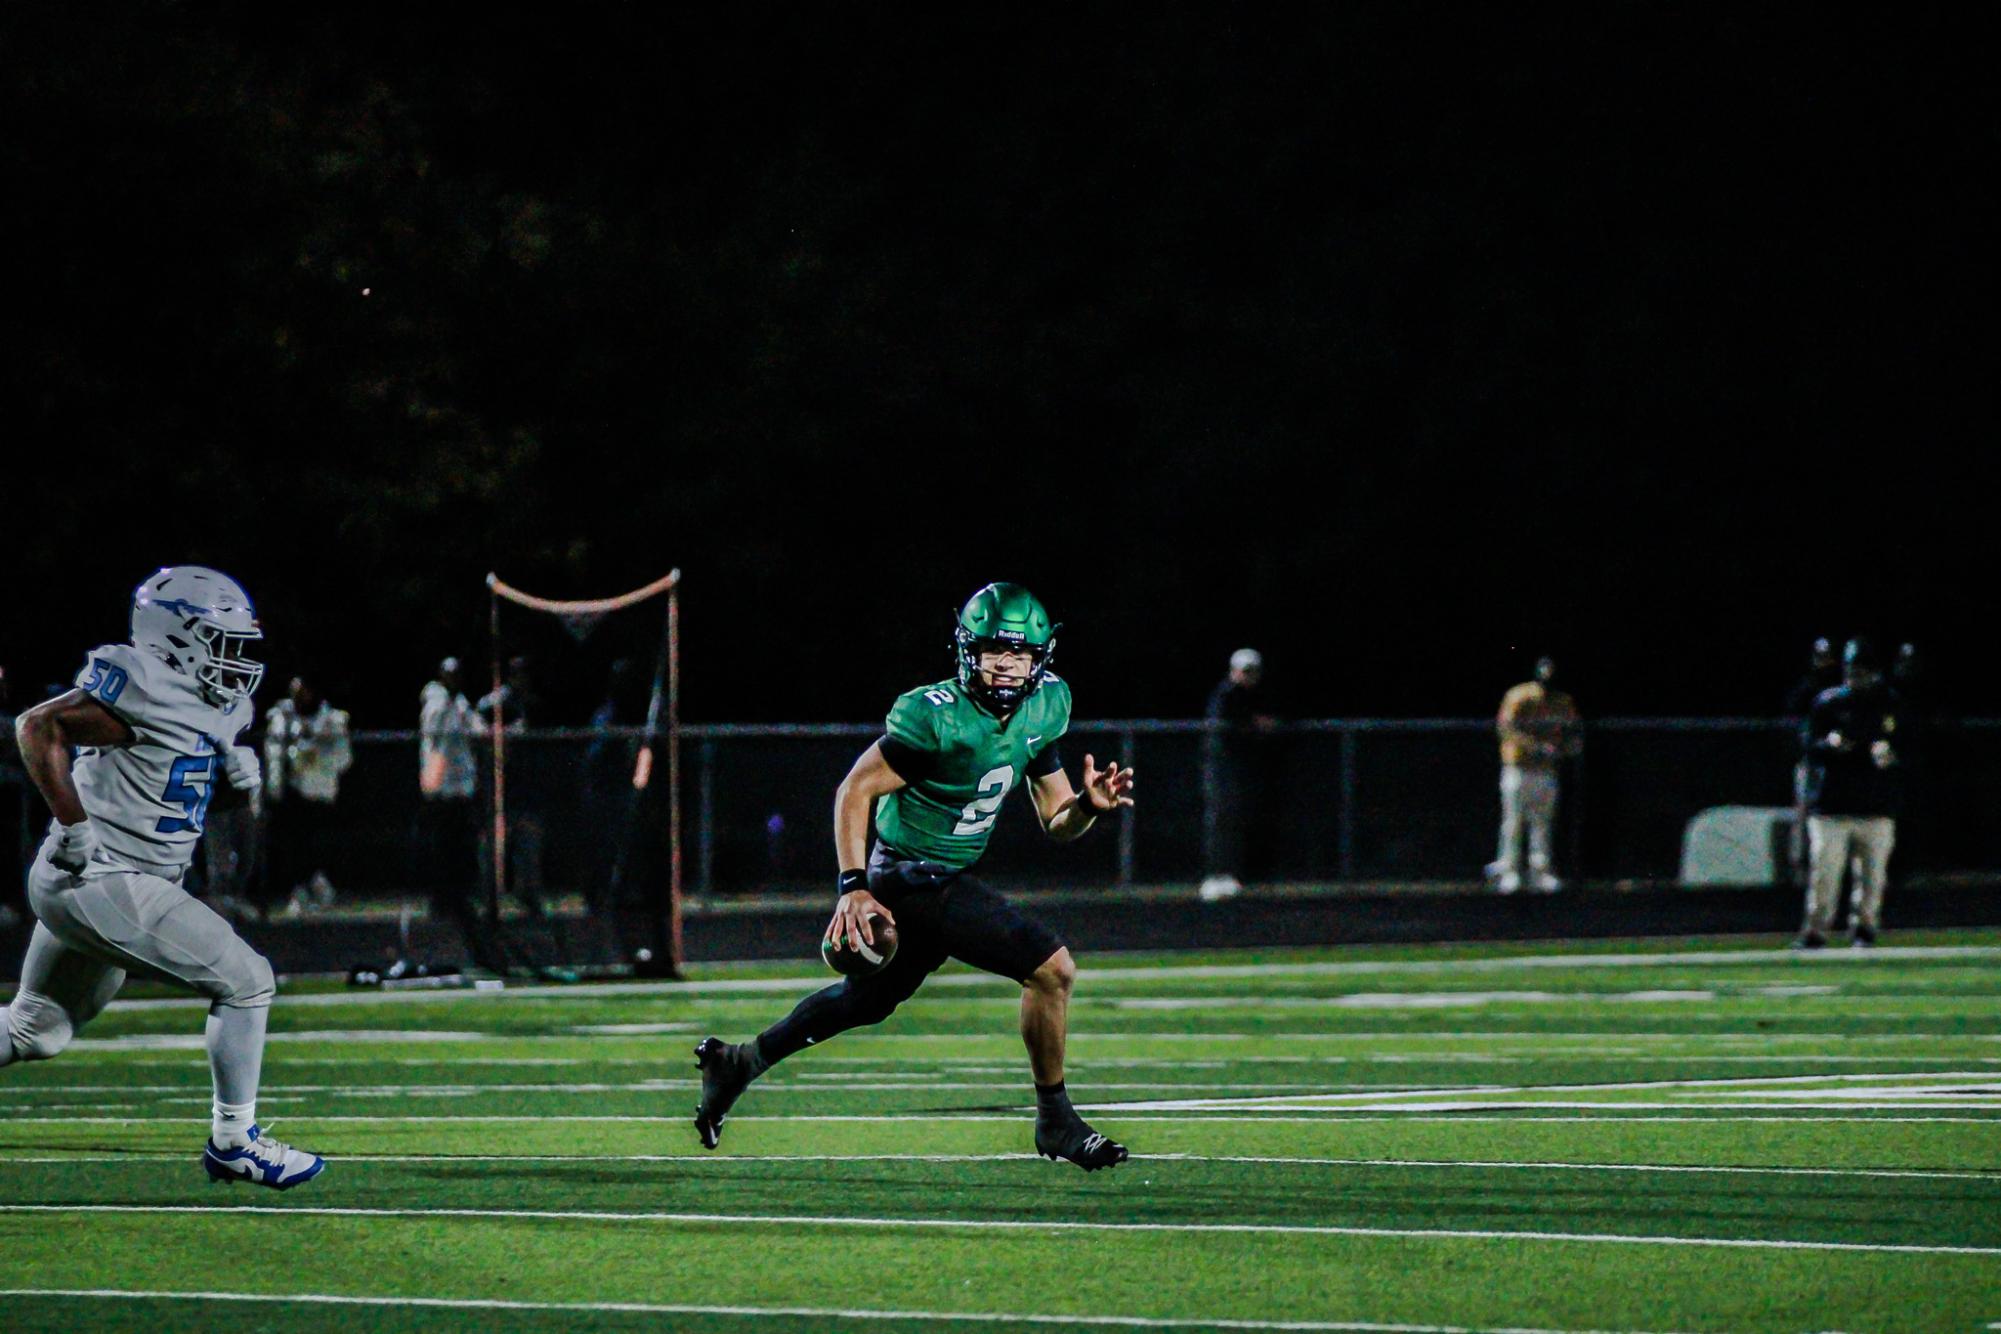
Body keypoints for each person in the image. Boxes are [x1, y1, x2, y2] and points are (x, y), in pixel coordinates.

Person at [691, 583, 1136, 1170]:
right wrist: (854, 887)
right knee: (1052, 970)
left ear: (1040, 658)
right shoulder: (937, 716)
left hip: (944, 874)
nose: (1006, 665)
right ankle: (1055, 1119)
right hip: (908, 875)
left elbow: (1056, 820)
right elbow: (855, 788)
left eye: (1020, 654)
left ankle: (740, 1062)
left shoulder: (1046, 706)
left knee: (866, 1001)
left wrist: (1087, 806)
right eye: (993, 651)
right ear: (967, 651)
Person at [1, 566, 324, 1188]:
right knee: (248, 981)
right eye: (221, 641)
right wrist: (71, 824)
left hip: (116, 881)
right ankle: (235, 1141)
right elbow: (38, 728)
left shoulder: (222, 704)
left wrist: (229, 790)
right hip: (99, 875)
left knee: (35, 1028)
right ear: (176, 636)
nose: (236, 660)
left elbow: (175, 796)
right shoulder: (143, 681)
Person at [1795, 638, 1904, 948]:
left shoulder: (1890, 704)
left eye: (1864, 671)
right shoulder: (1828, 703)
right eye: (1853, 671)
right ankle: (1816, 930)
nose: (1857, 677)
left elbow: (1912, 748)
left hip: (1875, 804)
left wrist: (1891, 755)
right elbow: (1807, 746)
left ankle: (1865, 928)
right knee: (1824, 874)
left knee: (1873, 877)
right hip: (1832, 805)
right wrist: (1828, 745)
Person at [1485, 656, 1582, 893]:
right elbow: (1505, 727)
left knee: (1542, 821)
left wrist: (1569, 747)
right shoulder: (1519, 696)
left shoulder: (1562, 702)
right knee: (1514, 821)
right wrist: (1535, 746)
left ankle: (1540, 871)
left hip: (1546, 770)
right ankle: (1510, 871)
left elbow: (1573, 730)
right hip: (1519, 767)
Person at [419, 657, 492, 963]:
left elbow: (477, 730)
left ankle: (460, 896)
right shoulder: (436, 704)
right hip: (443, 789)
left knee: (462, 847)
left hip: (462, 789)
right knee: (442, 847)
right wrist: (433, 786)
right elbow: (434, 742)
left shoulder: (461, 703)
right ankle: (442, 900)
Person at [262, 675, 353, 916]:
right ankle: (299, 891)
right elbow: (273, 754)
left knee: (317, 846)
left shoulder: (332, 720)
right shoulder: (282, 720)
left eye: (303, 693)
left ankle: (320, 888)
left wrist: (317, 756)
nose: (299, 699)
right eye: (295, 694)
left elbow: (344, 760)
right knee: (293, 845)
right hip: (291, 792)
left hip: (320, 792)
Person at [1201, 647, 1277, 901]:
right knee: (1221, 821)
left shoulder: (1256, 695)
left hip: (1240, 772)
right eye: (1245, 671)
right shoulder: (1226, 695)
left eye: (1253, 671)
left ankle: (1235, 875)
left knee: (1240, 821)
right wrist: (1253, 726)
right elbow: (1228, 729)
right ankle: (1216, 875)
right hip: (1222, 772)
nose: (1249, 676)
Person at [1783, 638, 1846, 890]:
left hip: (1838, 765)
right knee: (1804, 816)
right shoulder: (1807, 690)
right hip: (1812, 763)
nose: (1824, 662)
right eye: (1821, 657)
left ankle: (1834, 870)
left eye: (1828, 657)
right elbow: (1793, 725)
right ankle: (1799, 870)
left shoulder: (1841, 690)